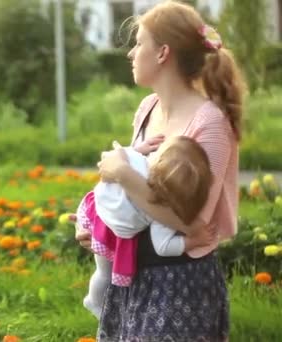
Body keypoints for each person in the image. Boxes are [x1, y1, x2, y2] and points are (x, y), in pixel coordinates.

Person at [76, 1, 245, 340]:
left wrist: (121, 173)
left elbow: (189, 222)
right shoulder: (148, 107)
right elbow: (141, 193)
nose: (131, 53)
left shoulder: (209, 123)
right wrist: (101, 225)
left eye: (139, 43)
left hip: (177, 284)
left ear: (163, 53)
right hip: (131, 275)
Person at [76, 136, 214, 319]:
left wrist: (137, 150)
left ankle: (96, 300)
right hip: (107, 229)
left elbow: (113, 156)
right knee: (104, 274)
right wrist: (194, 240)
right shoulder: (159, 211)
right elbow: (163, 247)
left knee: (102, 273)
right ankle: (94, 301)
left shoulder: (138, 165)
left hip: (92, 209)